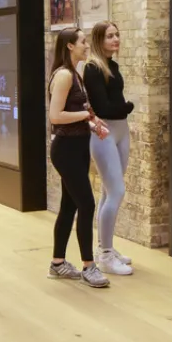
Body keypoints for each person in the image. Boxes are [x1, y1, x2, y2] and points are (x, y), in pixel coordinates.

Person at [47, 28, 110, 288]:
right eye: (83, 42)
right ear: (70, 46)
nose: (87, 45)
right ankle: (88, 266)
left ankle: (58, 263)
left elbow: (81, 109)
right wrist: (85, 118)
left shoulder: (76, 74)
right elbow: (55, 116)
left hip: (78, 146)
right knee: (87, 204)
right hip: (66, 150)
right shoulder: (63, 75)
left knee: (70, 206)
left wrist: (94, 122)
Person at [83, 21, 134, 276]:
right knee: (116, 191)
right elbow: (102, 108)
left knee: (108, 191)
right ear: (98, 40)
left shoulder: (111, 65)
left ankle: (107, 247)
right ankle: (104, 256)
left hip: (121, 131)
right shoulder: (92, 68)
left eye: (117, 34)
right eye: (110, 36)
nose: (116, 40)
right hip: (104, 134)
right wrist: (128, 107)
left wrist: (124, 110)